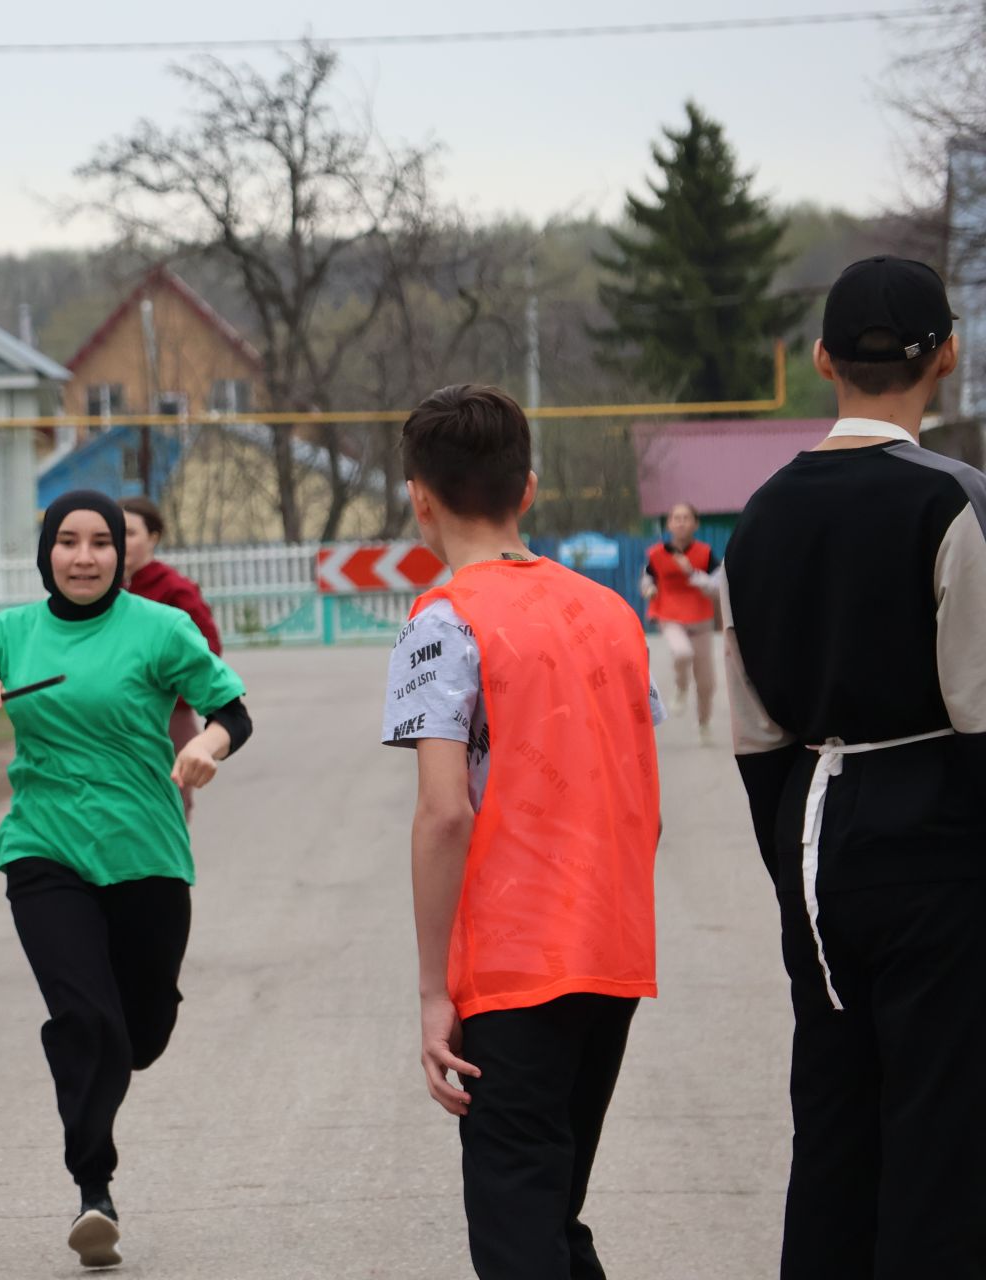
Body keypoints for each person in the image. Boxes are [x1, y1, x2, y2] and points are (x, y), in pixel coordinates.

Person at [722, 256, 986, 1278]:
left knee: (833, 1115)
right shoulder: (957, 499)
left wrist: (795, 863)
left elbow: (753, 732)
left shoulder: (759, 515)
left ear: (823, 359)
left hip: (814, 837)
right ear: (948, 355)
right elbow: (977, 708)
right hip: (937, 843)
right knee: (941, 1129)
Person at [382, 385, 662, 1280]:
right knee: (549, 1211)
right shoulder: (615, 616)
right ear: (529, 489)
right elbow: (639, 796)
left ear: (418, 497)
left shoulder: (441, 620)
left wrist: (435, 991)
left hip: (513, 965)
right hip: (612, 949)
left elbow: (443, 812)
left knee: (515, 1222)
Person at [0, 490, 252, 1270]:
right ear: (47, 550)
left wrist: (208, 745)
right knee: (87, 1022)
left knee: (139, 1034)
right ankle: (94, 1189)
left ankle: (126, 1047)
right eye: (68, 542)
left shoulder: (161, 629)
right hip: (44, 847)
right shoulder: (8, 633)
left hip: (146, 851)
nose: (84, 557)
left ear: (122, 552)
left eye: (100, 543)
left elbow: (232, 710)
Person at [121, 496, 221, 818]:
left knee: (168, 806)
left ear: (153, 537)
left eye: (130, 533)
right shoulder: (108, 591)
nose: (121, 543)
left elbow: (209, 649)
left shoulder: (174, 589)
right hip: (117, 717)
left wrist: (161, 684)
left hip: (168, 718)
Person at [640, 501, 721, 743]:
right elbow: (647, 579)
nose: (681, 522)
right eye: (676, 517)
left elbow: (717, 586)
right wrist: (649, 589)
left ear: (695, 524)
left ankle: (703, 724)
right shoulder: (656, 554)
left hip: (701, 620)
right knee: (682, 652)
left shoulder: (705, 554)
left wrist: (691, 574)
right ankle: (681, 687)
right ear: (669, 523)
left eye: (686, 518)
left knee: (707, 683)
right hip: (670, 615)